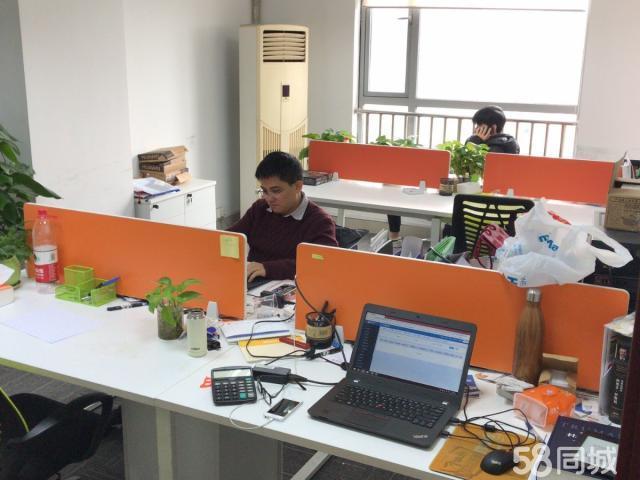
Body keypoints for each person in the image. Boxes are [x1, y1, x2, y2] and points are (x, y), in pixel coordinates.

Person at [386, 106, 520, 247]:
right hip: (476, 196)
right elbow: (465, 172)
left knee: (450, 219)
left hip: (485, 201)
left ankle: (446, 247)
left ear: (493, 127)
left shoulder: (501, 147)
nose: (476, 129)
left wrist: (477, 142)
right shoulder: (487, 141)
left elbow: (478, 174)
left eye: (480, 125)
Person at [228, 151, 338, 281]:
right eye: (264, 191)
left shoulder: (319, 221)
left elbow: (323, 264)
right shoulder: (260, 209)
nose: (269, 198)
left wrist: (268, 268)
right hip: (253, 282)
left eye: (276, 191)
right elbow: (230, 237)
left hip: (294, 286)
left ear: (297, 186)